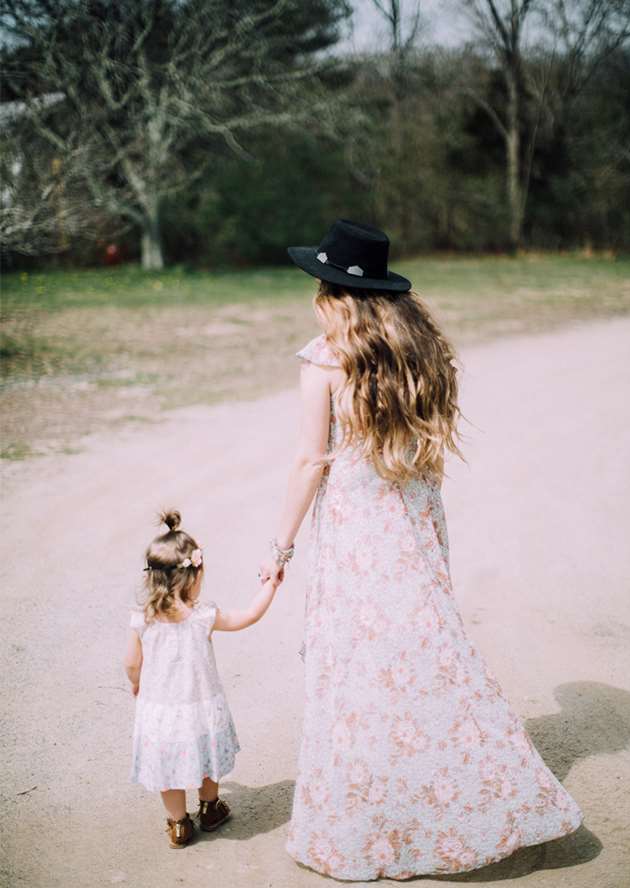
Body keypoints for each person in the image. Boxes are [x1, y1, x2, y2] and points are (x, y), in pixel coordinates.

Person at [259, 219, 584, 879]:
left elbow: (309, 460)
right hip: (411, 527)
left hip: (355, 537)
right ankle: (443, 800)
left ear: (336, 295)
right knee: (424, 660)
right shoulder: (422, 349)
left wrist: (279, 547)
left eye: (319, 286)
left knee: (359, 673)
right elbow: (427, 467)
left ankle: (371, 822)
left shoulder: (325, 359)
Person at [125, 509, 281, 849]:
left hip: (161, 711)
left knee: (168, 769)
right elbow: (249, 615)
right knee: (205, 757)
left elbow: (131, 664)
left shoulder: (142, 620)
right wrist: (271, 585)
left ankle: (179, 824)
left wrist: (137, 683)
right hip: (200, 708)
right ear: (195, 574)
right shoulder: (203, 616)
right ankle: (210, 809)